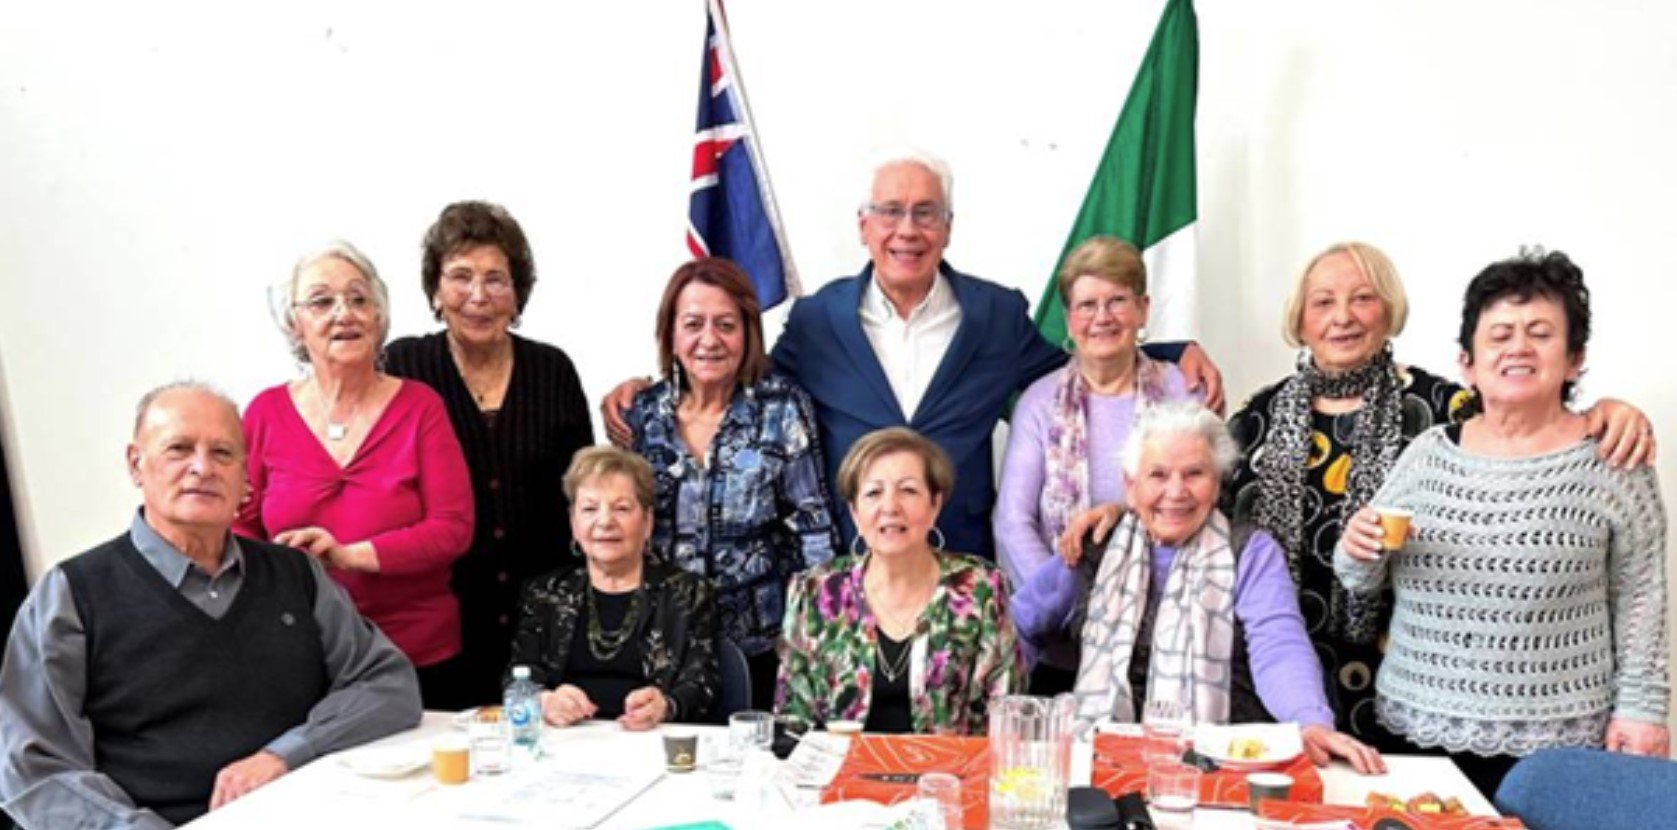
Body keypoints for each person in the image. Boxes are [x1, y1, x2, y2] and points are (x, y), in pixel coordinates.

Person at [1060, 241, 1654, 747]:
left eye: (1362, 298)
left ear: (1388, 311)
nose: (1342, 316)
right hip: (1273, 660)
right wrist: (1126, 509)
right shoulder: (1259, 416)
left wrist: (1604, 411)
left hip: (1410, 675)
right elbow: (1191, 499)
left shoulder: (1443, 409)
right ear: (1301, 319)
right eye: (1323, 302)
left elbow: (1526, 418)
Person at [603, 148, 1225, 561]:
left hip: (962, 568)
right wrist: (655, 386)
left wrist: (1172, 351)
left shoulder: (995, 315)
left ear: (948, 227)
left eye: (925, 213)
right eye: (890, 212)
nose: (908, 230)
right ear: (863, 226)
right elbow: (741, 378)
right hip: (853, 569)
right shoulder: (818, 320)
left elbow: (1081, 362)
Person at [0, 383, 420, 828]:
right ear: (136, 464)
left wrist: (283, 754)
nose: (203, 468)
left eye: (222, 453)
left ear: (245, 478)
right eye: (179, 449)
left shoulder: (296, 574)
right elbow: (35, 770)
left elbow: (388, 684)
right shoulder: (71, 594)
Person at [1336, 249, 1668, 797]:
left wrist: (1643, 710)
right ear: (1468, 362)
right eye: (1500, 334)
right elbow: (1358, 576)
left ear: (1574, 360)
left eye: (1540, 333)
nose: (1518, 347)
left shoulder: (1615, 461)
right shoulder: (1428, 455)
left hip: (1561, 748)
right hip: (1417, 731)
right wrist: (1356, 545)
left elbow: (1641, 597)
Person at [1069, 401, 1381, 773]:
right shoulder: (1096, 543)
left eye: (1194, 474)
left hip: (1227, 763)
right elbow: (1022, 621)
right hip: (1107, 763)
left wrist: (1309, 721)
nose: (1176, 491)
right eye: (1158, 475)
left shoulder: (1250, 550)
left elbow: (1278, 643)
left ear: (1216, 484)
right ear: (1130, 486)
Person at [236, 240, 475, 709]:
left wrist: (348, 555)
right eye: (322, 301)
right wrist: (281, 571)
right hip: (302, 649)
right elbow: (238, 525)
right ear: (294, 323)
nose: (344, 313)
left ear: (378, 317)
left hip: (416, 652)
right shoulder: (265, 413)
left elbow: (453, 528)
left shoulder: (420, 407)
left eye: (358, 298)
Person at [385, 201, 595, 707]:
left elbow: (583, 491)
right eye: (461, 277)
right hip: (440, 626)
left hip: (546, 624)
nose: (478, 296)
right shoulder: (402, 366)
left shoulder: (552, 370)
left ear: (517, 294)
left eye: (496, 280)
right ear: (436, 291)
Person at [622, 257, 837, 709]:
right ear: (670, 334)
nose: (709, 340)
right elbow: (622, 526)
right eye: (693, 324)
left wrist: (814, 636)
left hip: (761, 646)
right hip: (662, 644)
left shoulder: (782, 409)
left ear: (748, 333)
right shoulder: (643, 414)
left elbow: (813, 530)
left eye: (725, 325)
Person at [994, 236, 1198, 694]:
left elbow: (1204, 505)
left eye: (1117, 301)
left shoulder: (1183, 391)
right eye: (1087, 305)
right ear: (1069, 319)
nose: (1102, 317)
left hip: (1163, 643)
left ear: (1143, 310)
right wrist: (1071, 604)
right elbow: (1012, 522)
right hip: (1060, 644)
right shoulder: (1039, 402)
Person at [776, 428, 1023, 735]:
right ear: (854, 512)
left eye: (908, 490)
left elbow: (1006, 719)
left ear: (935, 504)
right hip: (839, 764)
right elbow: (792, 724)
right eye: (873, 493)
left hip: (950, 766)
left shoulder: (981, 590)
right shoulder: (815, 592)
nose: (890, 506)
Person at [510, 447, 719, 729]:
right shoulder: (545, 592)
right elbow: (518, 675)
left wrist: (666, 706)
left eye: (621, 508)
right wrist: (544, 700)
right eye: (589, 509)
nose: (605, 521)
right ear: (573, 523)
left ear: (647, 521)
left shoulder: (687, 592)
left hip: (650, 739)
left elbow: (703, 683)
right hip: (564, 739)